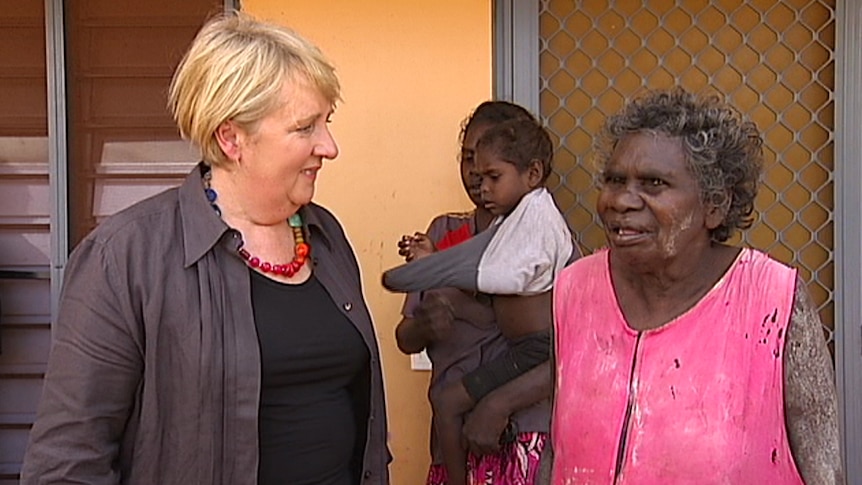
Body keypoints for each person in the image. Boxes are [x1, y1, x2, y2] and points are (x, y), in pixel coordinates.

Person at [21, 13, 390, 485]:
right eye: (305, 127)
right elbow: (67, 463)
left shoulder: (325, 236)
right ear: (232, 137)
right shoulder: (124, 259)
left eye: (327, 122)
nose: (330, 146)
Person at [545, 88, 843, 484]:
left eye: (653, 184)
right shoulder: (574, 290)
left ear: (715, 205)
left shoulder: (772, 299)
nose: (621, 200)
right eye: (615, 180)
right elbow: (556, 448)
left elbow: (824, 469)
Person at [388, 111, 574, 485]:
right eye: (470, 158)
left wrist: (498, 404)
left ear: (529, 173)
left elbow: (574, 350)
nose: (477, 175)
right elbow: (405, 338)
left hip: (524, 432)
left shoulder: (543, 230)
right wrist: (424, 324)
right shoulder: (445, 230)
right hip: (453, 439)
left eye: (491, 170)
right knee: (446, 404)